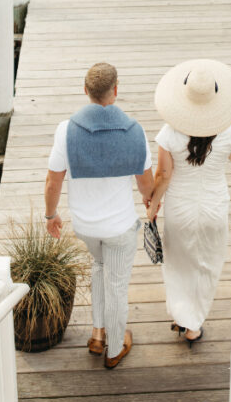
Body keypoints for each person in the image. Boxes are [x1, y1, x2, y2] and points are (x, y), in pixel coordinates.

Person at [44, 62, 154, 369]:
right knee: (117, 284)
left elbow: (53, 181)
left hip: (85, 226)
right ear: (116, 91)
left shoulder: (66, 130)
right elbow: (147, 186)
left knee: (99, 264)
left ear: (85, 91)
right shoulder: (135, 132)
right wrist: (150, 202)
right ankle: (114, 348)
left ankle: (97, 333)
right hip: (119, 227)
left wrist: (50, 215)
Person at [147, 58, 231, 345]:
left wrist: (152, 206)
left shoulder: (170, 133)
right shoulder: (230, 129)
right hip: (214, 206)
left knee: (179, 264)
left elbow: (163, 175)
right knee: (208, 264)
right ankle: (194, 324)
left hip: (181, 208)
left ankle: (183, 317)